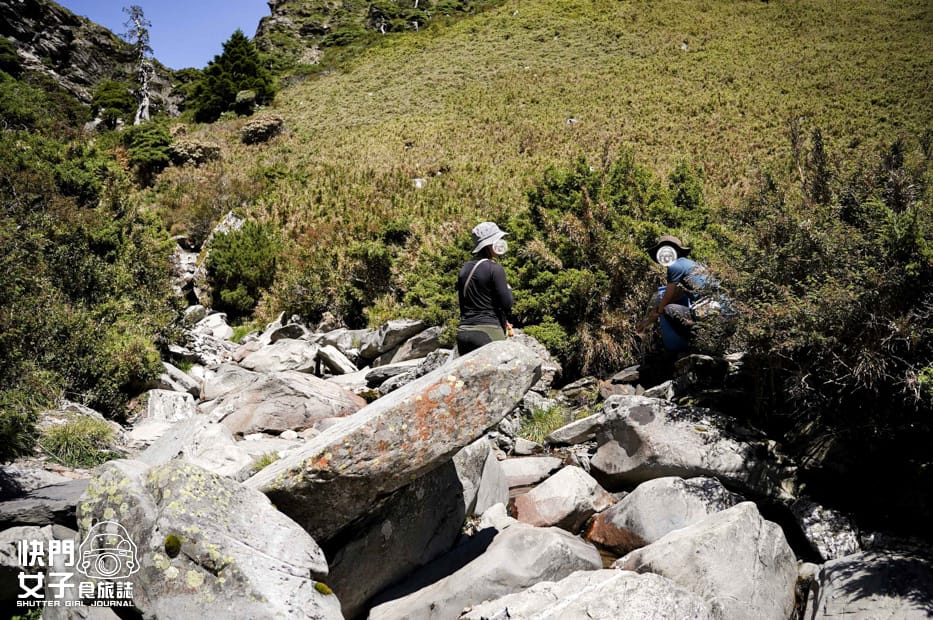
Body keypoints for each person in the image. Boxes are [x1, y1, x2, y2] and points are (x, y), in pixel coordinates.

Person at [636, 234, 711, 352]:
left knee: (669, 309)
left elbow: (668, 296)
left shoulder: (674, 266)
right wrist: (650, 318)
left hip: (709, 310)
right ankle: (699, 342)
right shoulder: (692, 265)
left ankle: (691, 344)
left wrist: (658, 311)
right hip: (720, 309)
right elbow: (679, 293)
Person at [456, 221, 514, 355]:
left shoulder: (465, 268)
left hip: (464, 332)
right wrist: (509, 289)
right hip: (488, 331)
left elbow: (462, 303)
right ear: (490, 244)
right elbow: (507, 303)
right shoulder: (495, 268)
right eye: (498, 239)